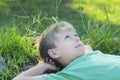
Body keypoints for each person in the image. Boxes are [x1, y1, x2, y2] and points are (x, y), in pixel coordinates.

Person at [13, 21, 120, 80]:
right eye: (67, 37)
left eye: (76, 35)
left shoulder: (87, 54)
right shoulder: (68, 75)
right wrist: (43, 67)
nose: (77, 38)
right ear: (54, 53)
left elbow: (87, 47)